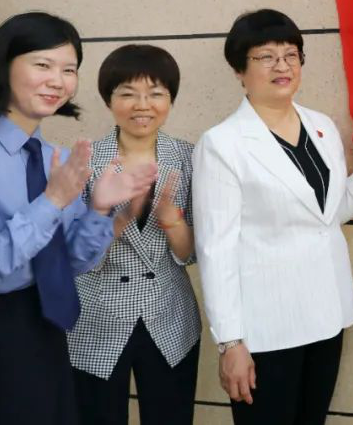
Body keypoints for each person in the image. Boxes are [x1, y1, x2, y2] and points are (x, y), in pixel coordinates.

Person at [194, 9, 353, 425]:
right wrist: (230, 342)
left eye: (291, 55)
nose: (282, 66)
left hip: (327, 313)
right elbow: (216, 250)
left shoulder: (321, 126)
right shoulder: (222, 144)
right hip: (268, 328)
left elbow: (325, 218)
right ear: (240, 71)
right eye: (266, 57)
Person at [0, 12, 156, 425]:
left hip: (44, 331)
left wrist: (99, 209)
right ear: (4, 64)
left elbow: (67, 263)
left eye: (69, 69)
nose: (57, 81)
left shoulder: (53, 158)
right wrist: (52, 201)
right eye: (43, 65)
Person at [66, 44, 201, 425]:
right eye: (128, 93)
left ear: (170, 99)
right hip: (96, 319)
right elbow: (74, 256)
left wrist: (172, 221)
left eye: (156, 93)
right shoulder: (84, 161)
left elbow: (191, 254)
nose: (143, 105)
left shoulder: (190, 158)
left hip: (169, 316)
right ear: (108, 100)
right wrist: (114, 220)